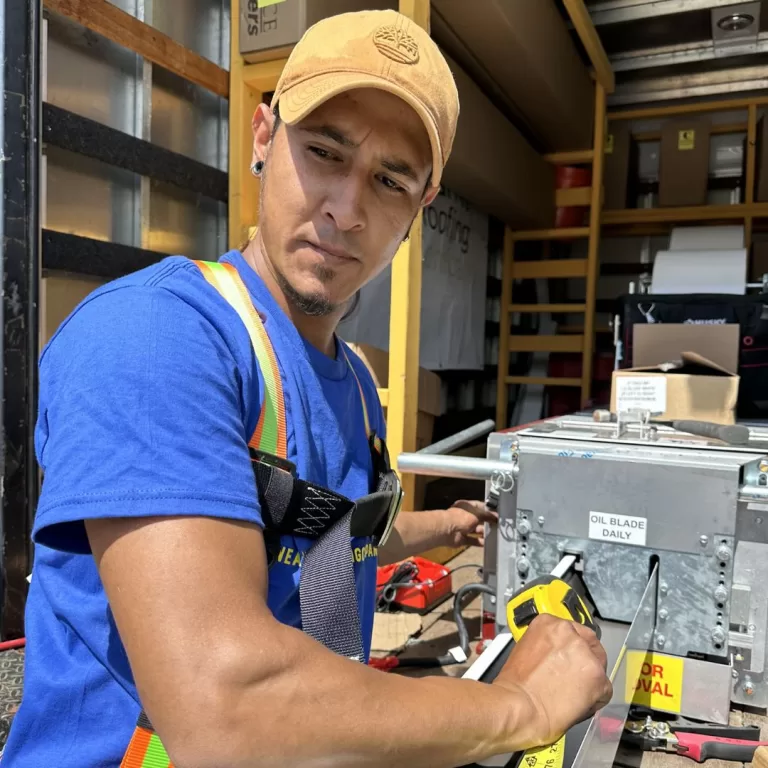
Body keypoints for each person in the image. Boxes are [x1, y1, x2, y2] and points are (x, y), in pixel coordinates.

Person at [2, 9, 611, 768]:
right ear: (263, 138)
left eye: (390, 181)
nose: (346, 211)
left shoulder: (352, 382)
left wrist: (443, 526)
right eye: (323, 152)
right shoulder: (155, 339)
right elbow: (225, 710)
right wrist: (519, 706)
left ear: (421, 208)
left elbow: (320, 534)